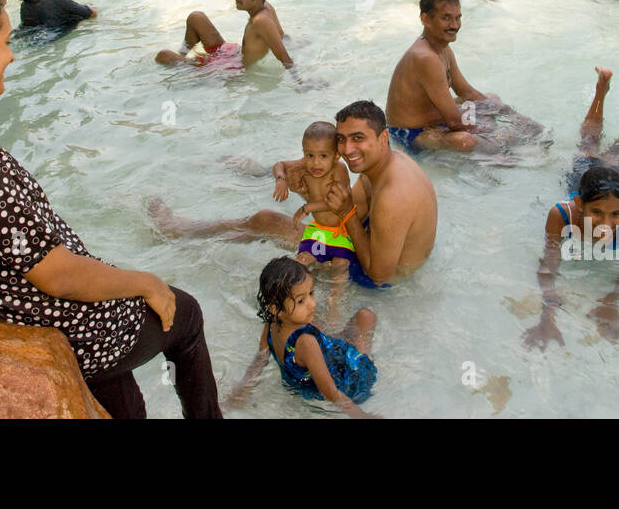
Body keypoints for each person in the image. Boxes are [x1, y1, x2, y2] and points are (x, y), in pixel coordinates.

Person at [0, 0, 220, 418]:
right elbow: (57, 276)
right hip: (64, 321)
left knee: (126, 405)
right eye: (3, 43)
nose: (11, 56)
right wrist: (146, 282)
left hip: (22, 309)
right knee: (186, 316)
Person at [148, 99, 438, 287]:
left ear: (384, 137)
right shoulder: (386, 165)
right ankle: (257, 177)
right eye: (342, 139)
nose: (348, 149)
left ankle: (181, 233)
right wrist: (311, 195)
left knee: (266, 221)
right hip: (374, 243)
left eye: (358, 138)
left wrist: (346, 212)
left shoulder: (393, 196)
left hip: (379, 277)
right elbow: (344, 215)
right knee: (274, 214)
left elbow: (380, 275)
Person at [524, 61, 619, 350]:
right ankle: (602, 90)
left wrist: (611, 302)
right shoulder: (562, 214)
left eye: (615, 215)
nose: (606, 224)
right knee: (592, 147)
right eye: (596, 213)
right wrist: (547, 314)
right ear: (579, 204)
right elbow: (549, 263)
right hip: (587, 180)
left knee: (612, 153)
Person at [384, 0, 543, 156]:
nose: (454, 25)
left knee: (491, 99)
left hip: (437, 122)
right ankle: (510, 154)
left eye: (458, 18)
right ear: (426, 19)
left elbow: (467, 92)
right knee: (465, 140)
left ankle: (511, 144)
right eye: (446, 18)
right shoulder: (425, 58)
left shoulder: (443, 49)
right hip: (411, 133)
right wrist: (494, 134)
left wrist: (515, 116)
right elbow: (454, 121)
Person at [223, 258, 377, 418]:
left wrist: (241, 392)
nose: (312, 304)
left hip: (303, 381)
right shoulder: (306, 342)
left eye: (311, 293)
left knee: (331, 327)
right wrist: (361, 415)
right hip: (351, 383)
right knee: (366, 317)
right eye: (301, 301)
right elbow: (330, 392)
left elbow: (260, 360)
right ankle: (365, 357)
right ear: (275, 309)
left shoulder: (271, 324)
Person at [155, 0, 297, 76]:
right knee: (196, 17)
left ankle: (190, 69)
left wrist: (299, 82)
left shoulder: (261, 21)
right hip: (232, 53)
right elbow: (282, 37)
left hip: (231, 69)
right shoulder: (267, 6)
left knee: (163, 55)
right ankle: (184, 57)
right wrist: (300, 46)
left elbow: (284, 58)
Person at [269, 121, 356, 284]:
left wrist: (307, 208)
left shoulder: (339, 169)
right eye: (310, 155)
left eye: (323, 156)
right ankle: (296, 291)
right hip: (320, 229)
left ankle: (335, 299)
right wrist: (281, 179)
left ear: (336, 155)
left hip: (341, 230)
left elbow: (337, 200)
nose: (316, 163)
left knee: (340, 264)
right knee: (302, 260)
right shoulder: (305, 164)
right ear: (304, 153)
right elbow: (279, 165)